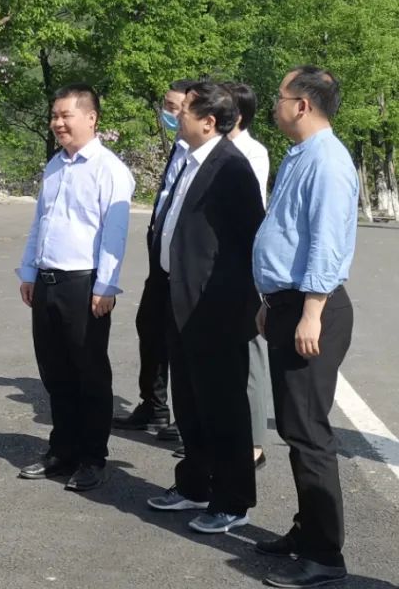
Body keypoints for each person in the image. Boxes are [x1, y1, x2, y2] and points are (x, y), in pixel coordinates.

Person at [253, 66, 357, 589]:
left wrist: (310, 311)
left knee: (309, 433)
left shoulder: (328, 162)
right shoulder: (302, 155)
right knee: (296, 429)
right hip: (288, 304)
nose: (275, 104)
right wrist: (271, 302)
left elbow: (327, 243)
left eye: (280, 96)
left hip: (313, 307)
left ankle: (325, 557)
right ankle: (306, 529)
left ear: (302, 105)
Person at [145, 82, 263, 534]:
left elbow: (250, 240)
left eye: (186, 111)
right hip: (179, 299)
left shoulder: (230, 167)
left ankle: (233, 499)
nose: (177, 116)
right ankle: (194, 484)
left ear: (209, 122)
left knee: (223, 407)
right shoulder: (191, 160)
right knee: (190, 403)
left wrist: (234, 304)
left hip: (215, 308)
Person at [16, 84, 134, 491]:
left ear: (91, 118)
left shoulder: (109, 169)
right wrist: (29, 272)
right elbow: (40, 223)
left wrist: (106, 285)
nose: (58, 123)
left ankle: (92, 457)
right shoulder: (55, 165)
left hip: (84, 285)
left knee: (89, 374)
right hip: (47, 281)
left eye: (66, 115)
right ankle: (61, 450)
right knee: (55, 372)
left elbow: (114, 233)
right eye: (55, 115)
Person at [114, 79, 194, 443]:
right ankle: (154, 406)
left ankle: (189, 418)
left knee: (182, 341)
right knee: (150, 328)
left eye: (175, 107)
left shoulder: (201, 152)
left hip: (182, 265)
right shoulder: (178, 146)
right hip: (159, 261)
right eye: (166, 105)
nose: (168, 113)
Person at [224, 82, 271, 471]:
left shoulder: (253, 153)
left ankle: (254, 443)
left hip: (243, 264)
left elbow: (245, 214)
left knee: (250, 349)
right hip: (218, 268)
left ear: (235, 114)